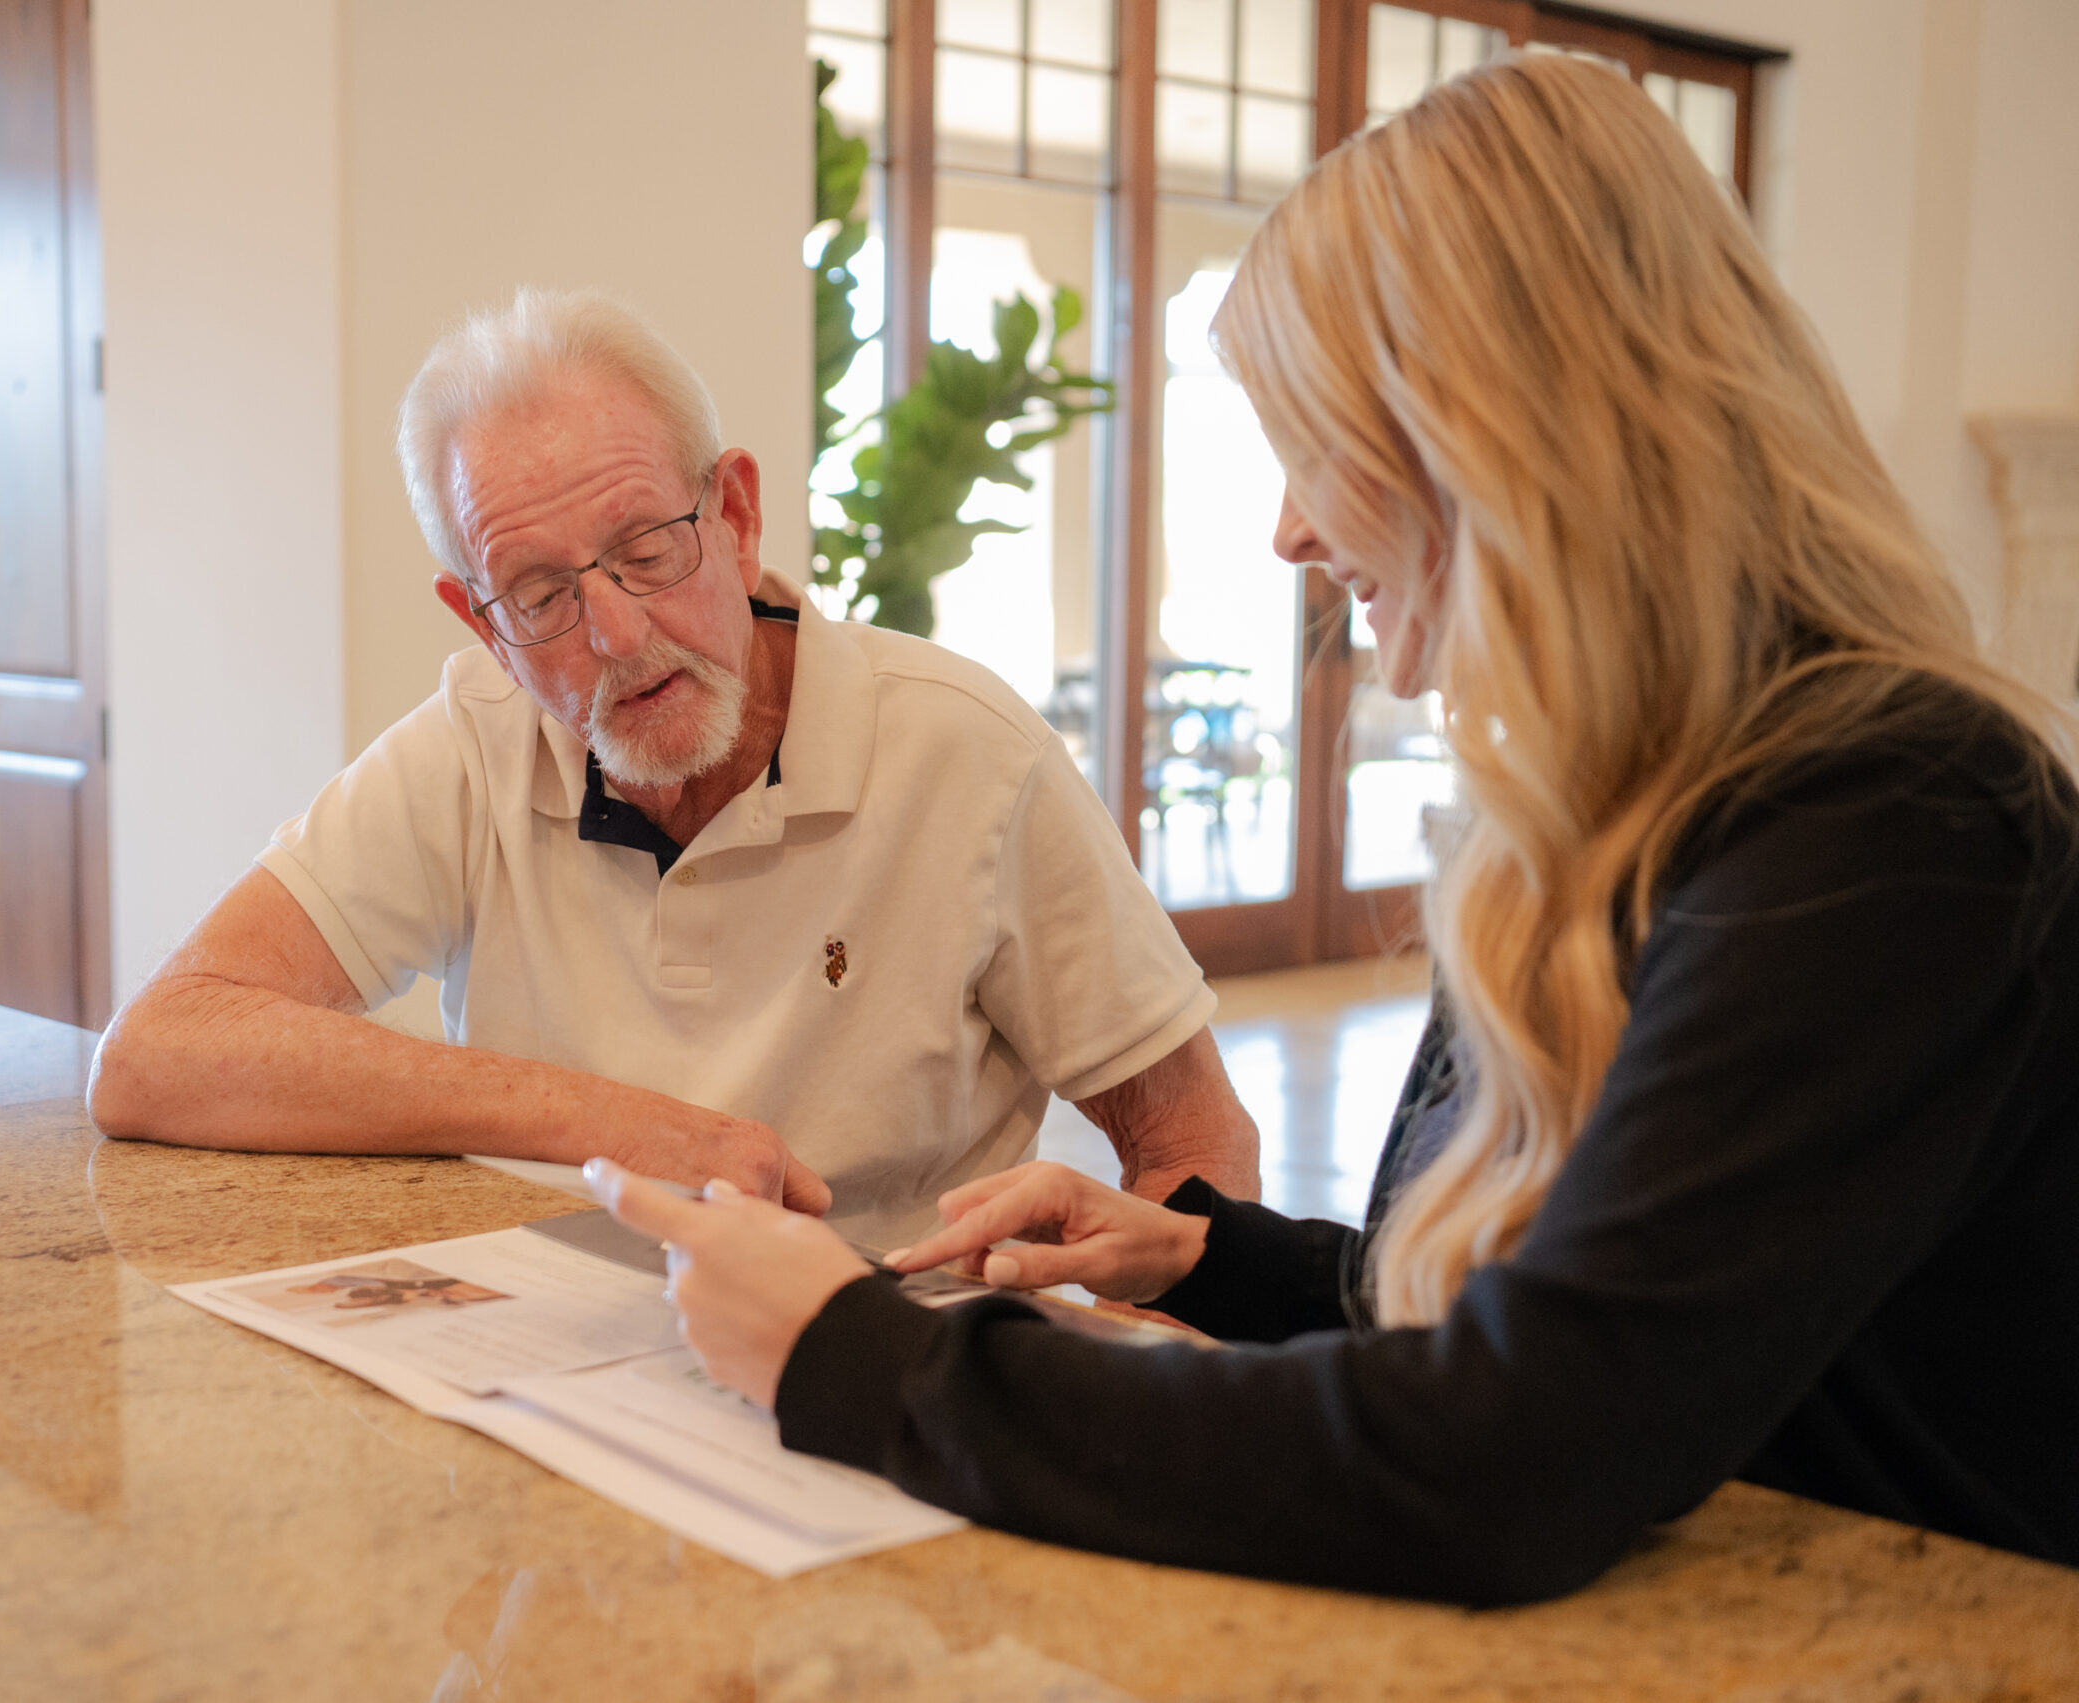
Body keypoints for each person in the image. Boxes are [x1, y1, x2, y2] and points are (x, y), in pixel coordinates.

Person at [588, 52, 2079, 1606]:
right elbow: (1553, 1313)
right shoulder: (1617, 817)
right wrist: (1208, 1254)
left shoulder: (1897, 828)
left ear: (1510, 437)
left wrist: (855, 1358)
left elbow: (1505, 1450)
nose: (1288, 529)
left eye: (1318, 444)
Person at [87, 290, 1260, 1247]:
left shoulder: (968, 754)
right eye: (539, 594)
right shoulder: (477, 741)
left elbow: (1192, 1140)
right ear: (481, 621)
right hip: (547, 1372)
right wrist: (611, 1123)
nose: (616, 633)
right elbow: (159, 1049)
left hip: (877, 1379)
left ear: (736, 514)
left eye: (646, 549)